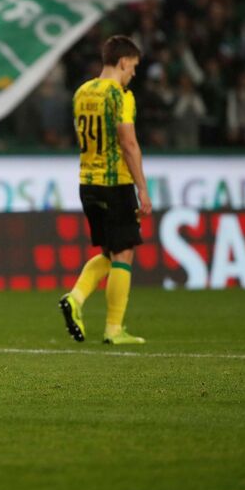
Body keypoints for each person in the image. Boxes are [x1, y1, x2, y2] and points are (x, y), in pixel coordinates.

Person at [59, 35, 152, 345]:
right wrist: (143, 189)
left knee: (110, 253)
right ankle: (113, 329)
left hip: (87, 182)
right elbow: (128, 144)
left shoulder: (81, 93)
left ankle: (75, 299)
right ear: (123, 62)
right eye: (134, 67)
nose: (134, 74)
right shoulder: (121, 96)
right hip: (115, 184)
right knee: (124, 253)